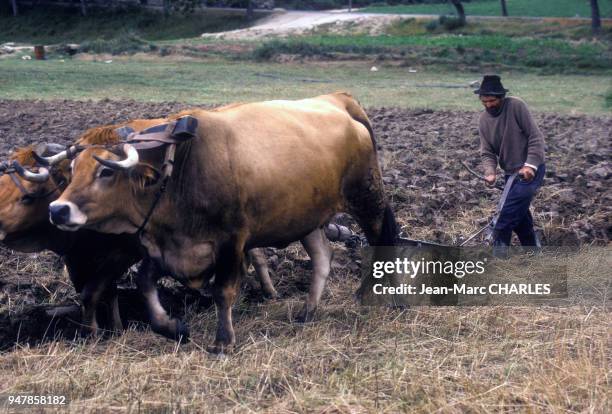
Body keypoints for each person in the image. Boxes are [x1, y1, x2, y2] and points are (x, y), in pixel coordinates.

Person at [475, 75, 545, 255]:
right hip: (510, 173)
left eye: (492, 100)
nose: (489, 105)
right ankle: (535, 255)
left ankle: (499, 259)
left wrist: (530, 165)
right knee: (521, 220)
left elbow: (535, 137)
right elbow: (487, 152)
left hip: (531, 169)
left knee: (505, 216)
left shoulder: (516, 106)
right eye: (485, 101)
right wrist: (490, 171)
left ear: (501, 97)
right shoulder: (483, 120)